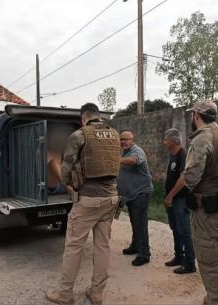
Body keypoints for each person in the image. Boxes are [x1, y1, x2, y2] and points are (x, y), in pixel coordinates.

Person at [45, 103, 120, 305]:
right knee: (102, 247)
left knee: (74, 246)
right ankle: (96, 293)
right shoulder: (114, 133)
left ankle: (65, 294)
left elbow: (67, 169)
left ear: (83, 118)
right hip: (111, 197)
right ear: (98, 116)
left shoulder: (79, 135)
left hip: (88, 199)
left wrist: (69, 186)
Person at [181, 99, 218, 304]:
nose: (191, 118)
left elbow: (191, 178)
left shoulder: (202, 138)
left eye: (191, 115)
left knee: (208, 261)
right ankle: (214, 297)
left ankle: (217, 300)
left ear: (196, 115)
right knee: (215, 257)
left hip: (208, 212)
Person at [117, 131, 153, 266]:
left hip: (141, 194)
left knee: (140, 224)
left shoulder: (137, 151)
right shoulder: (124, 152)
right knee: (135, 222)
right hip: (132, 195)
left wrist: (116, 159)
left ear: (132, 140)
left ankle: (144, 254)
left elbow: (134, 161)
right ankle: (135, 246)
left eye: (126, 139)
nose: (123, 142)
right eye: (121, 139)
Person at [163, 128, 196, 274]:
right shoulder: (173, 155)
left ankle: (190, 263)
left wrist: (170, 196)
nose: (164, 142)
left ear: (174, 141)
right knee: (175, 229)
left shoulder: (183, 155)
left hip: (180, 199)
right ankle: (179, 257)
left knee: (184, 231)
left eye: (166, 139)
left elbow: (183, 179)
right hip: (173, 200)